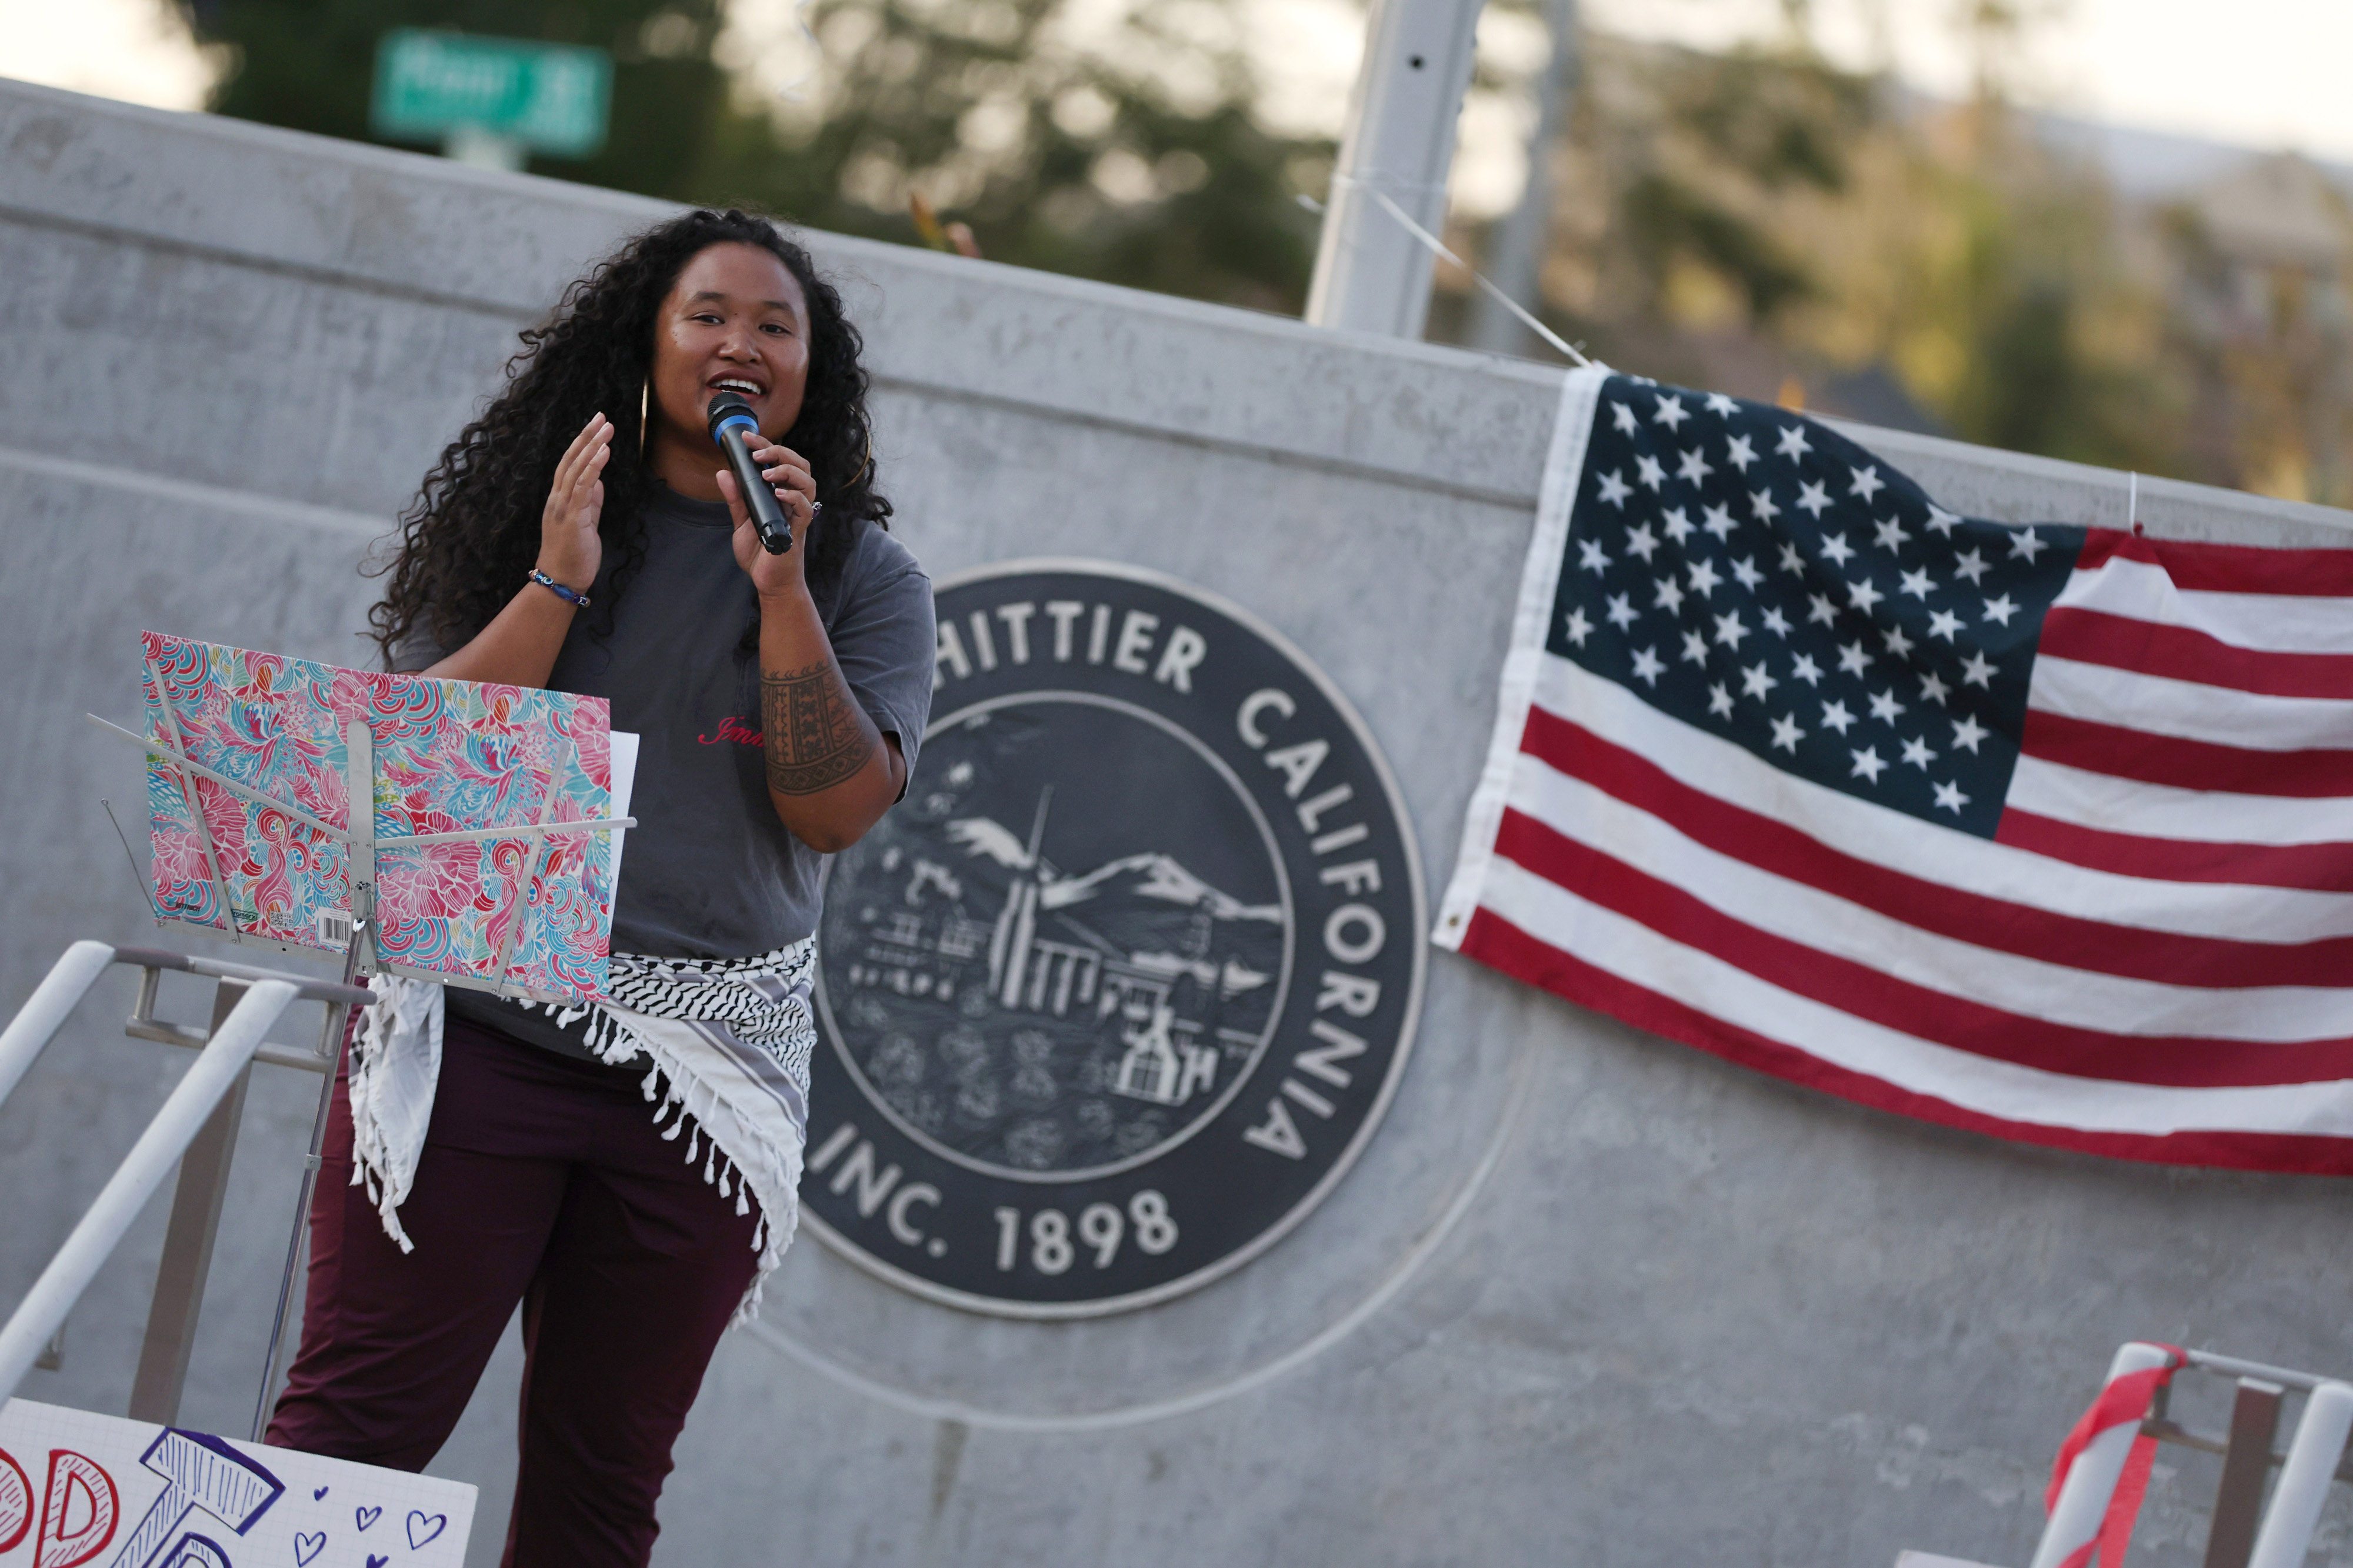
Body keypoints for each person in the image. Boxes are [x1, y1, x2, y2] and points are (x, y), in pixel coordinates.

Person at [264, 208, 935, 1568]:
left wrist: (783, 592)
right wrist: (553, 587)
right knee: (354, 1436)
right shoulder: (536, 517)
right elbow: (397, 764)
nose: (740, 342)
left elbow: (834, 809)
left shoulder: (863, 578)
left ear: (813, 373)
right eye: (707, 315)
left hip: (698, 1088)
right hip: (484, 1044)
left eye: (774, 325)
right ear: (646, 342)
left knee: (598, 1487)